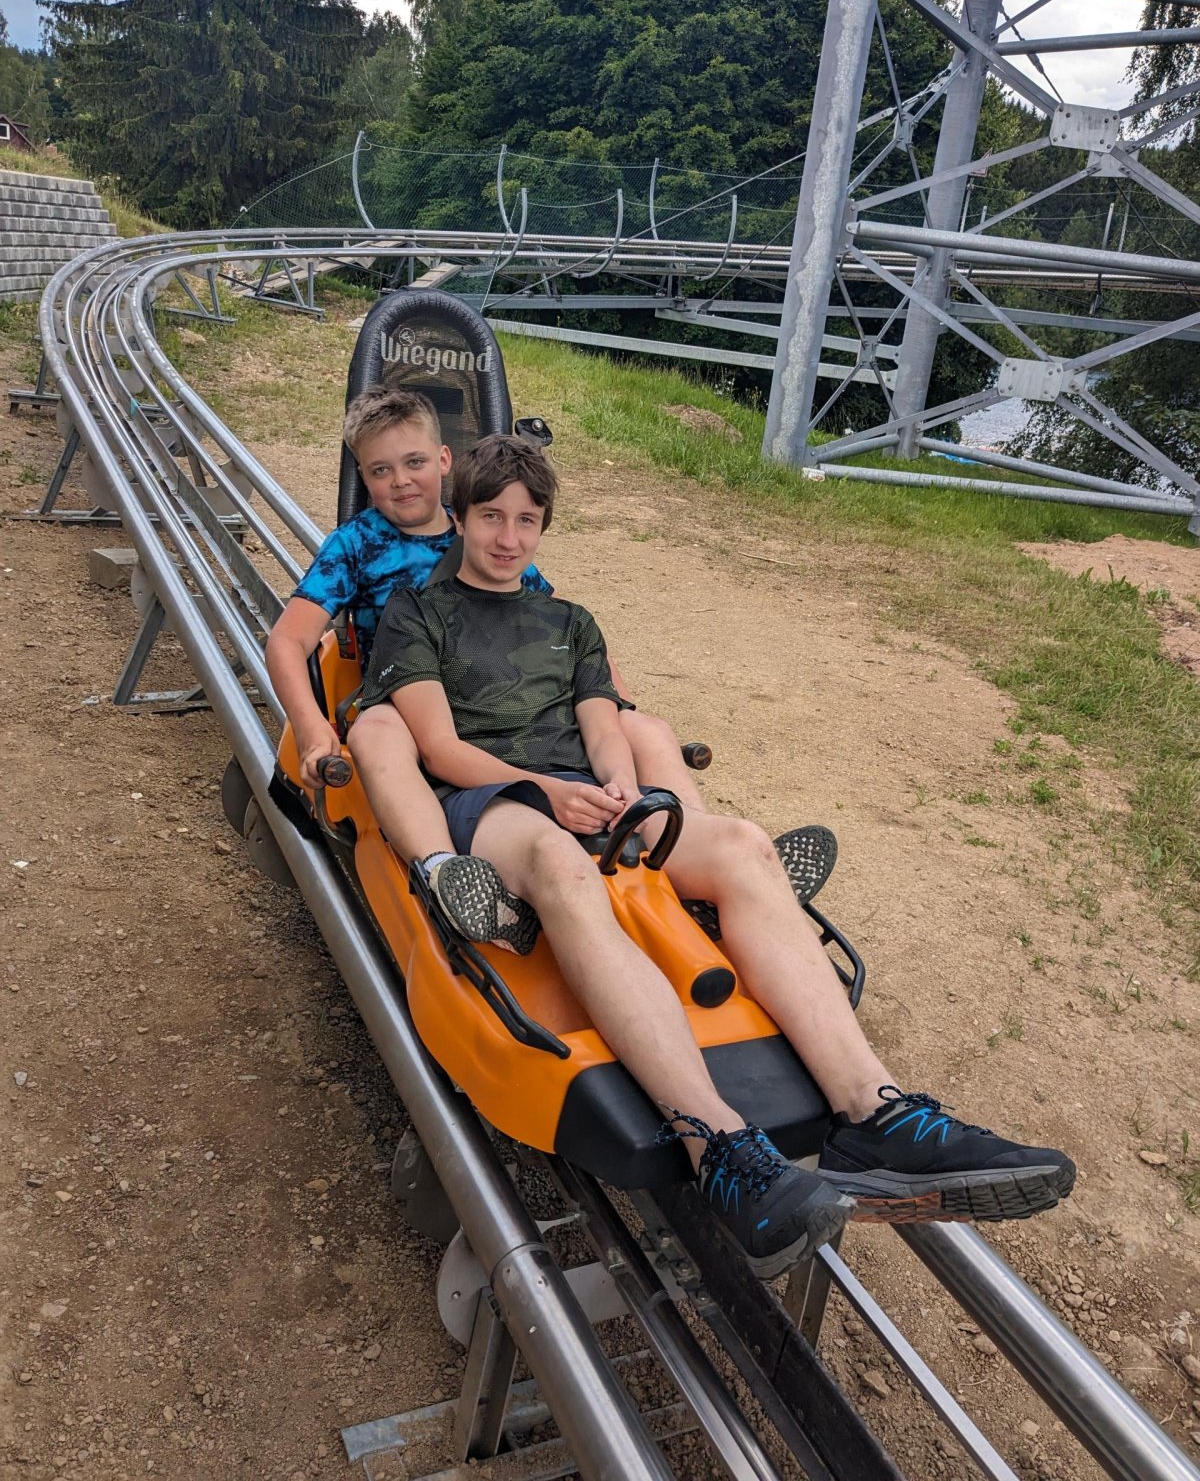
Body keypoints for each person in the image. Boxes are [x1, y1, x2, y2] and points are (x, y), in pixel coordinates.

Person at [360, 433, 1076, 1278]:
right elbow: (440, 747)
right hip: (494, 804)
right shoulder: (418, 612)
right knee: (559, 863)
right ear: (460, 518)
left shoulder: (571, 622)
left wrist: (617, 784)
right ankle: (719, 1144)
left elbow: (603, 727)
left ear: (544, 527)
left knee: (742, 844)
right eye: (491, 517)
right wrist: (548, 792)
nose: (508, 537)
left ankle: (874, 1114)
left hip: (585, 796)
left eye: (526, 521)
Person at [265, 384, 835, 952]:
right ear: (363, 476)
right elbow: (289, 641)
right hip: (418, 705)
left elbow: (561, 635)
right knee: (379, 729)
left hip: (508, 701)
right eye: (380, 470)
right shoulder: (357, 545)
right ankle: (444, 877)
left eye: (414, 462)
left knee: (645, 728)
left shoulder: (490, 534)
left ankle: (690, 857)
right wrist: (313, 730)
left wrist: (615, 711)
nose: (401, 481)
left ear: (444, 461)